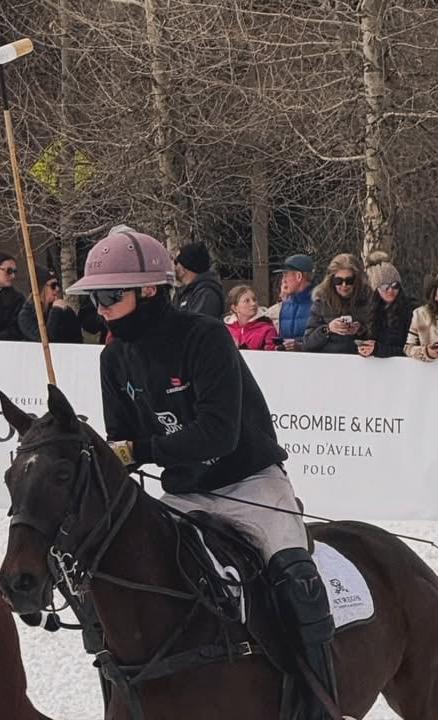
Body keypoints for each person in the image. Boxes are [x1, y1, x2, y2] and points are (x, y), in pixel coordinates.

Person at [69, 227, 338, 720]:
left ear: (149, 291)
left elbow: (218, 434)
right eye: (95, 298)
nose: (101, 309)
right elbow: (123, 442)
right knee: (108, 578)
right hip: (185, 493)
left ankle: (320, 705)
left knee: (296, 582)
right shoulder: (113, 359)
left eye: (109, 296)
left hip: (251, 481)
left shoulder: (205, 336)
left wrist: (136, 450)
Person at [302, 253, 368, 354]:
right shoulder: (321, 303)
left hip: (359, 360)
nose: (344, 285)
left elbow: (381, 338)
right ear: (332, 280)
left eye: (349, 280)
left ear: (357, 280)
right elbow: (307, 345)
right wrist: (328, 329)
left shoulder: (369, 300)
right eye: (338, 281)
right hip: (329, 360)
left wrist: (360, 330)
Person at [358, 252, 412, 359]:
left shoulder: (410, 310)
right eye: (384, 287)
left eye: (395, 285)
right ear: (376, 289)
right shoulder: (368, 310)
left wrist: (378, 350)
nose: (390, 290)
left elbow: (410, 349)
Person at [18, 265, 84, 343]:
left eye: (58, 284)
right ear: (41, 288)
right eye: (53, 286)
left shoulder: (62, 309)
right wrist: (55, 311)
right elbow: (45, 339)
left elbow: (77, 338)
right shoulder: (26, 315)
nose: (57, 289)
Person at [274, 254, 317, 350]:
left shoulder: (319, 303)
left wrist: (301, 346)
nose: (283, 280)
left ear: (298, 276)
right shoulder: (286, 304)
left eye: (286, 275)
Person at [172, 242, 224, 317]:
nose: (174, 267)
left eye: (176, 262)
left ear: (184, 267)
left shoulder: (206, 294)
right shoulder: (186, 292)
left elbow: (196, 322)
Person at [224, 284, 277, 350]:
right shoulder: (226, 330)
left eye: (254, 300)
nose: (253, 304)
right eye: (247, 301)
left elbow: (272, 352)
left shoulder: (267, 329)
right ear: (235, 308)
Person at [405, 273, 438, 361]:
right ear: (435, 293)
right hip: (429, 368)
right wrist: (426, 352)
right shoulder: (420, 314)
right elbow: (408, 348)